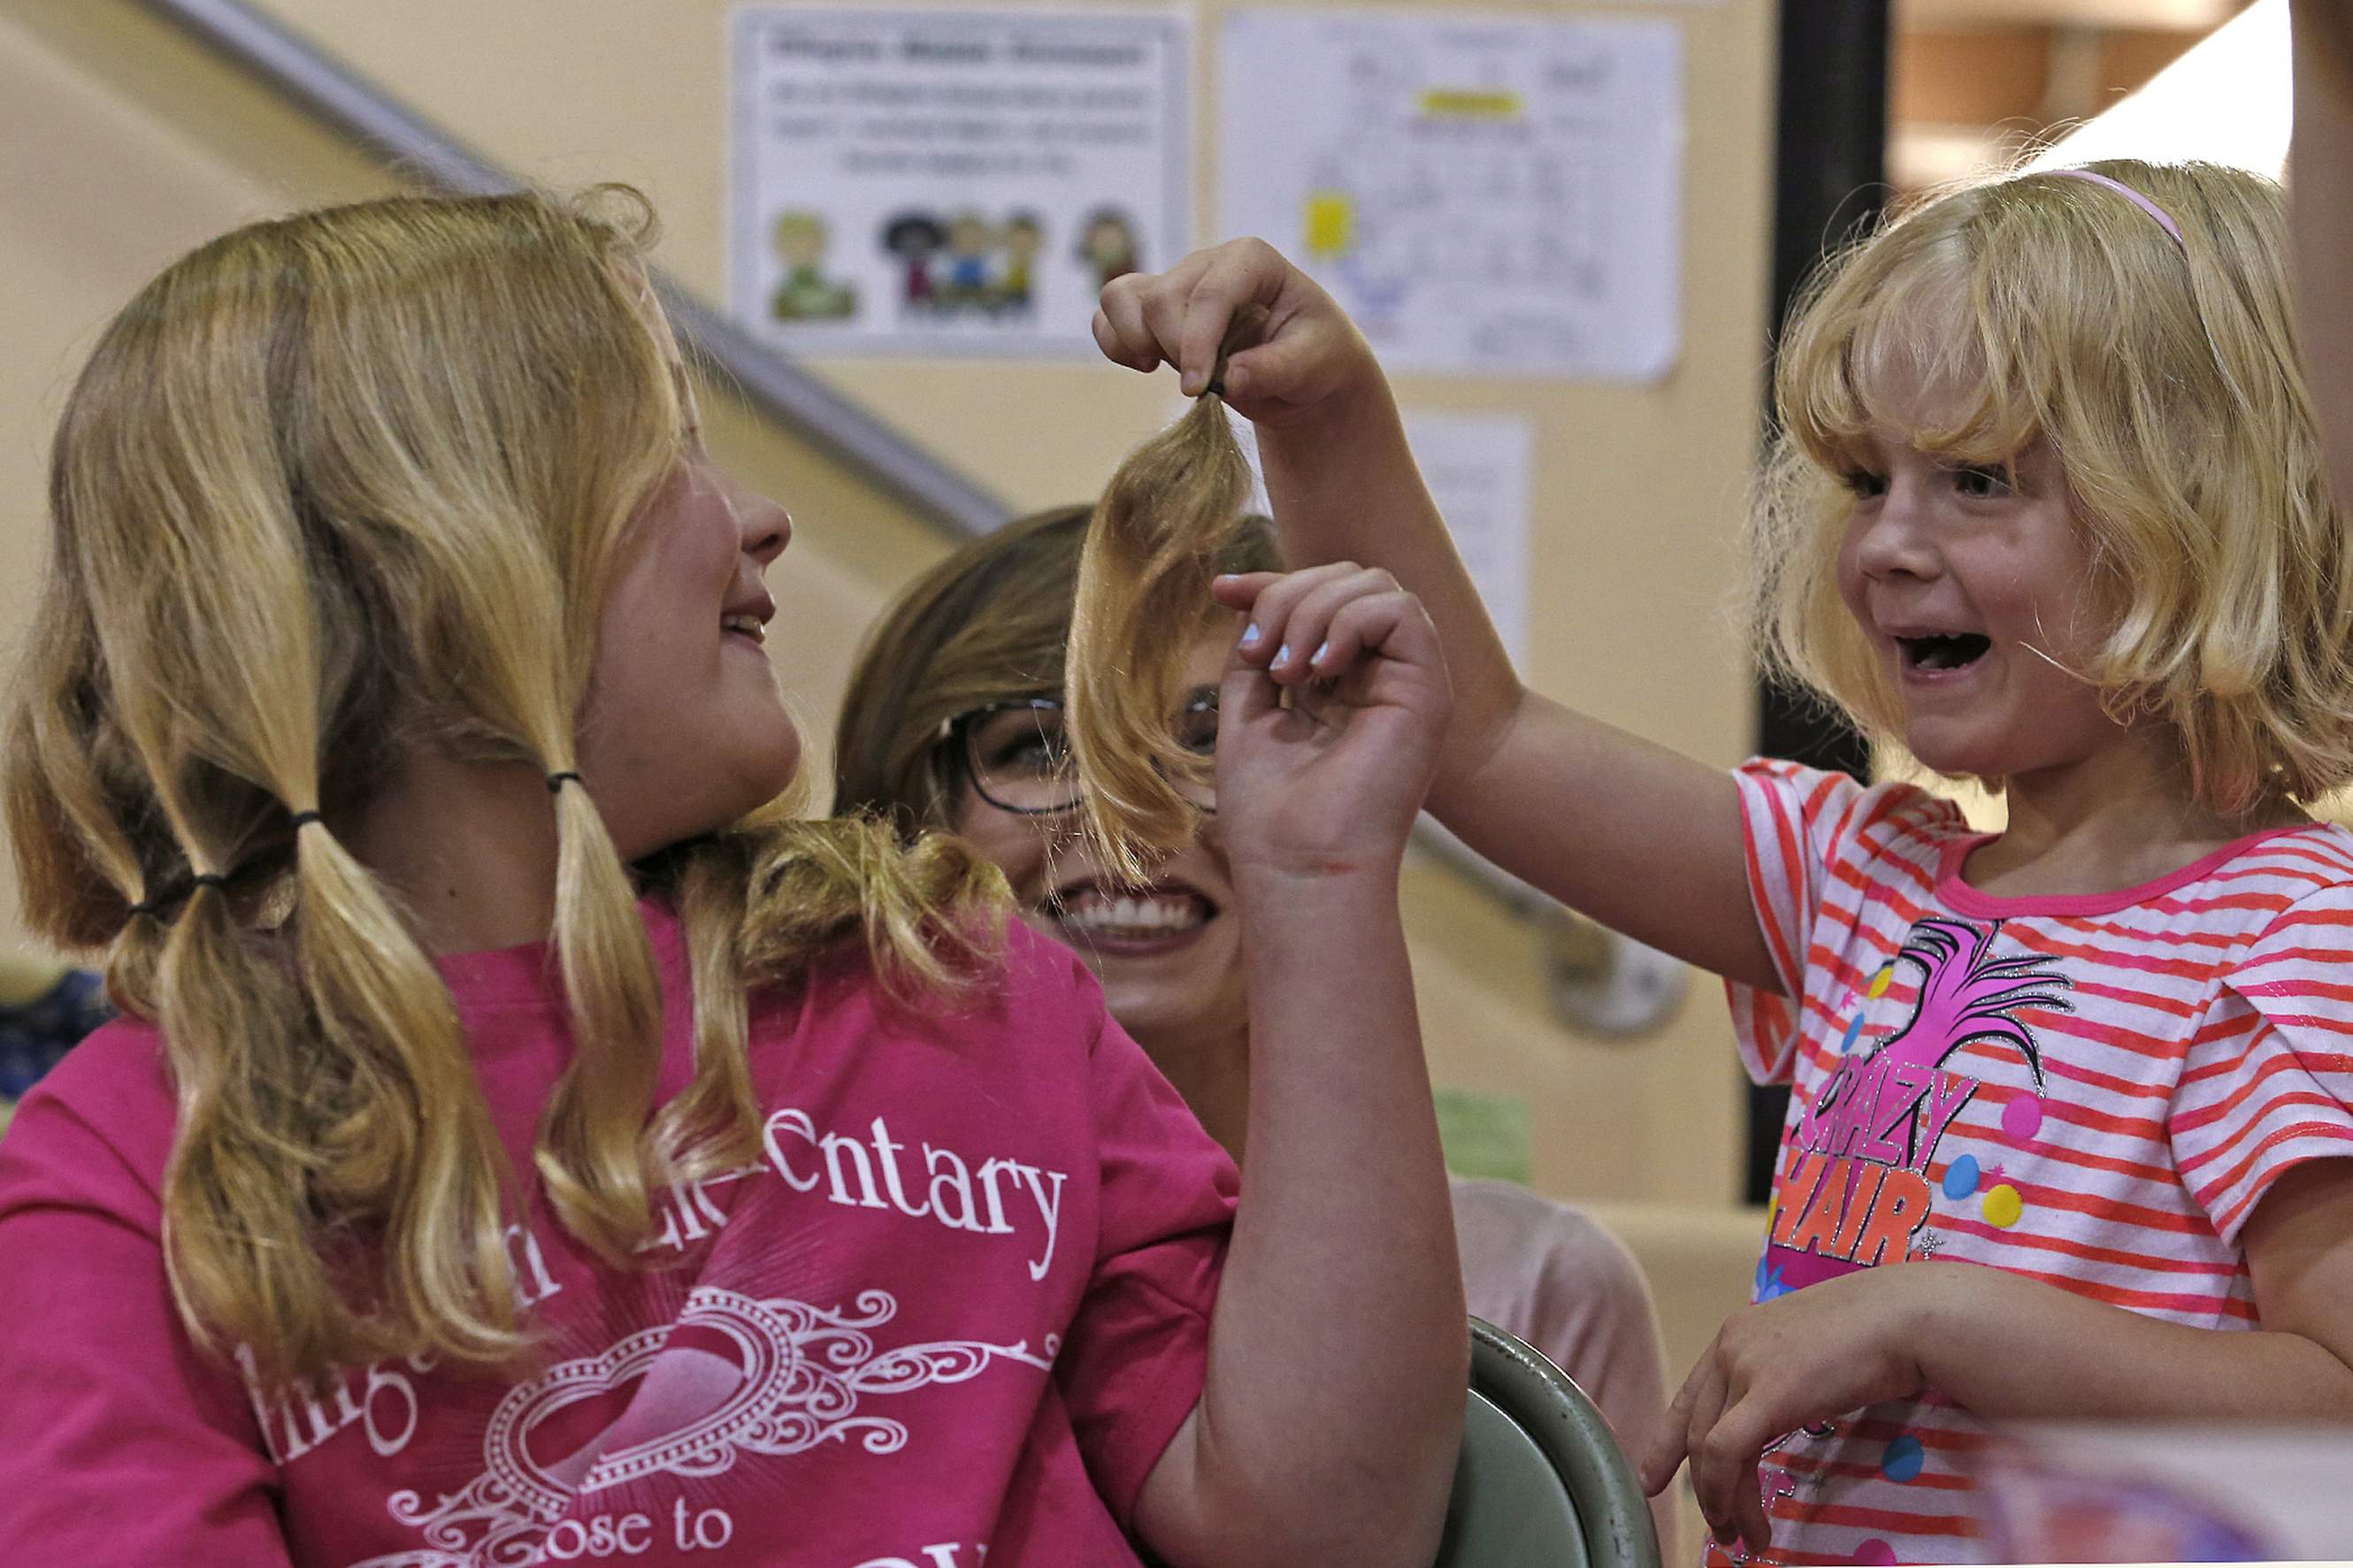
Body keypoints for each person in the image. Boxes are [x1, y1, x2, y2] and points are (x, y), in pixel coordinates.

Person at [0, 187, 1469, 1565]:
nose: (761, 517)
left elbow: (1323, 1528)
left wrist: (1324, 875)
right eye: (670, 453)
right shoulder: (137, 1166)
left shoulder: (935, 970)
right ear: (442, 565)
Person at [1090, 159, 2353, 1567]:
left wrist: (1932, 1315)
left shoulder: (2289, 943)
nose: (1884, 545)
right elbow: (1482, 738)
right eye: (1869, 482)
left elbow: (2335, 1416)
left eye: (1979, 482)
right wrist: (1326, 417)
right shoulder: (1867, 878)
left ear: (2209, 504)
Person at [832, 502, 1678, 1553]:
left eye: (1209, 736)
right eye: (1042, 745)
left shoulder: (1530, 1279)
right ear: (898, 826)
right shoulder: (825, 1258)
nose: (1129, 815)